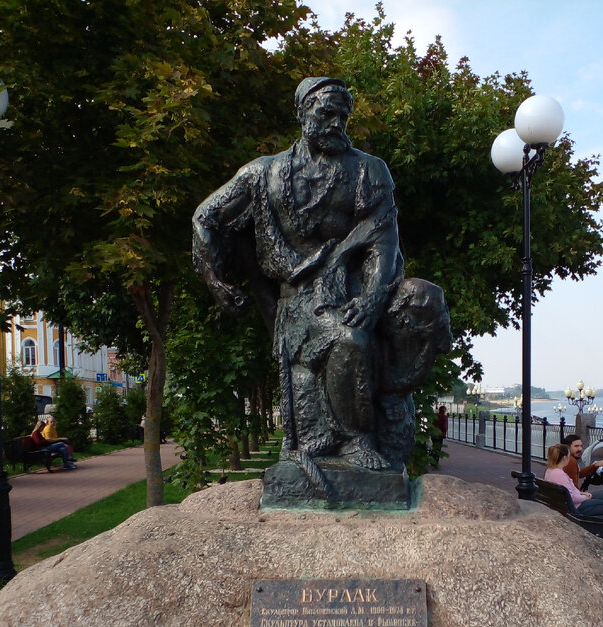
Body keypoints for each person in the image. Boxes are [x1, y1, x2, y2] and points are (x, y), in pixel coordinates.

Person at [193, 77, 451, 481]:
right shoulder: (264, 173)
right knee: (350, 340)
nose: (336, 123)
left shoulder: (368, 170)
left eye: (343, 116)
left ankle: (359, 440)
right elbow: (205, 216)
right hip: (296, 301)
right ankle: (352, 441)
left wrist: (371, 299)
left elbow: (383, 242)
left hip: (353, 293)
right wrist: (215, 280)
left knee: (400, 313)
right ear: (302, 113)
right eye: (326, 113)